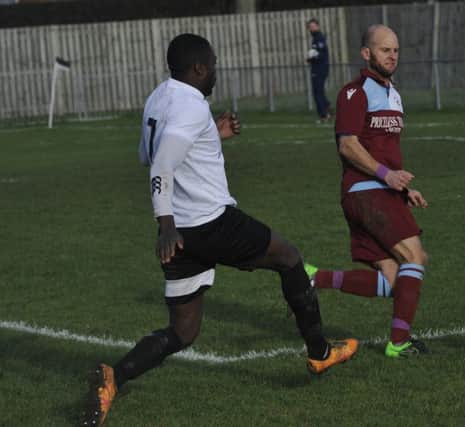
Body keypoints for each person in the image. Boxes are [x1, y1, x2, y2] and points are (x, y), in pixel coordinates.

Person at [82, 33, 358, 427]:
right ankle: (320, 352)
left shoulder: (159, 98)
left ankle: (114, 378)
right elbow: (161, 165)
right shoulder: (191, 106)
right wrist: (165, 226)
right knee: (289, 257)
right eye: (212, 65)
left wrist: (212, 133)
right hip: (207, 222)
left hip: (183, 237)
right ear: (199, 68)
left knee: (183, 332)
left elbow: (149, 153)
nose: (215, 72)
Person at [305, 25, 430, 358]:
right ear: (366, 54)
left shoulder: (394, 93)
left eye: (396, 50)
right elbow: (347, 145)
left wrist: (403, 189)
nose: (392, 56)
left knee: (394, 280)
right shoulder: (354, 92)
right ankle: (399, 344)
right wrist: (387, 176)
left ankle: (314, 279)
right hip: (365, 191)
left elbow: (386, 151)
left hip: (381, 191)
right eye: (384, 50)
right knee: (415, 258)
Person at [306, 18, 331, 123]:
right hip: (319, 68)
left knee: (317, 92)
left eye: (313, 26)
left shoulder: (319, 37)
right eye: (309, 27)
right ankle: (327, 106)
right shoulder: (316, 37)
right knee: (319, 91)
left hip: (319, 69)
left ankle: (323, 115)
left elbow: (321, 54)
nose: (311, 29)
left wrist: (311, 58)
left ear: (318, 26)